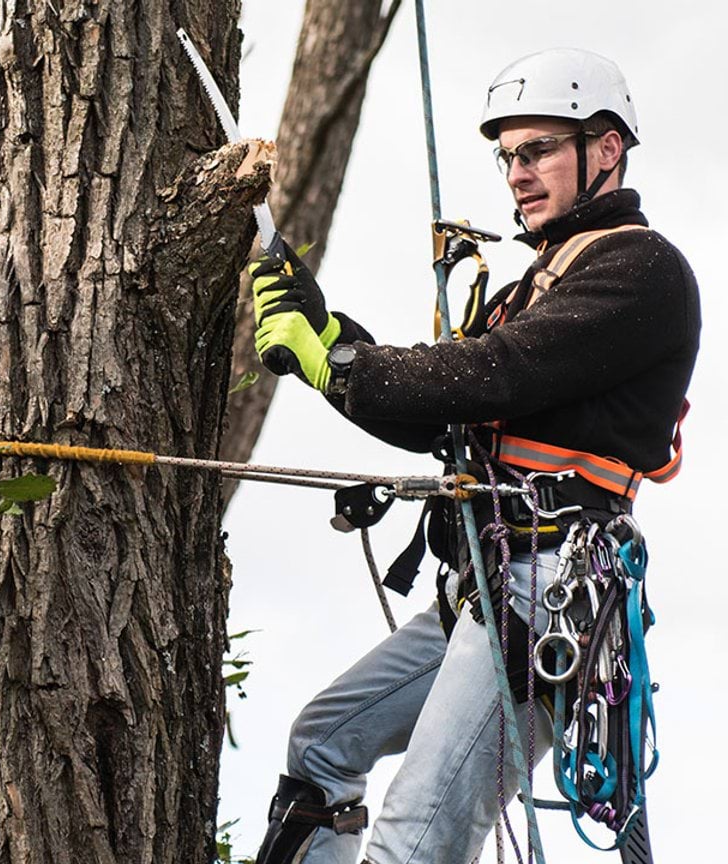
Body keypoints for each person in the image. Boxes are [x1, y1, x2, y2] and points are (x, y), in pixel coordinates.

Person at [246, 47, 700, 864]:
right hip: (483, 593)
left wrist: (336, 365)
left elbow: (491, 375)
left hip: (545, 597)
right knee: (320, 749)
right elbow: (445, 417)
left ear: (606, 149)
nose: (517, 175)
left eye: (537, 152)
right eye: (508, 158)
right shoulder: (534, 286)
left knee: (412, 845)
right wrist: (329, 338)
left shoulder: (642, 272)